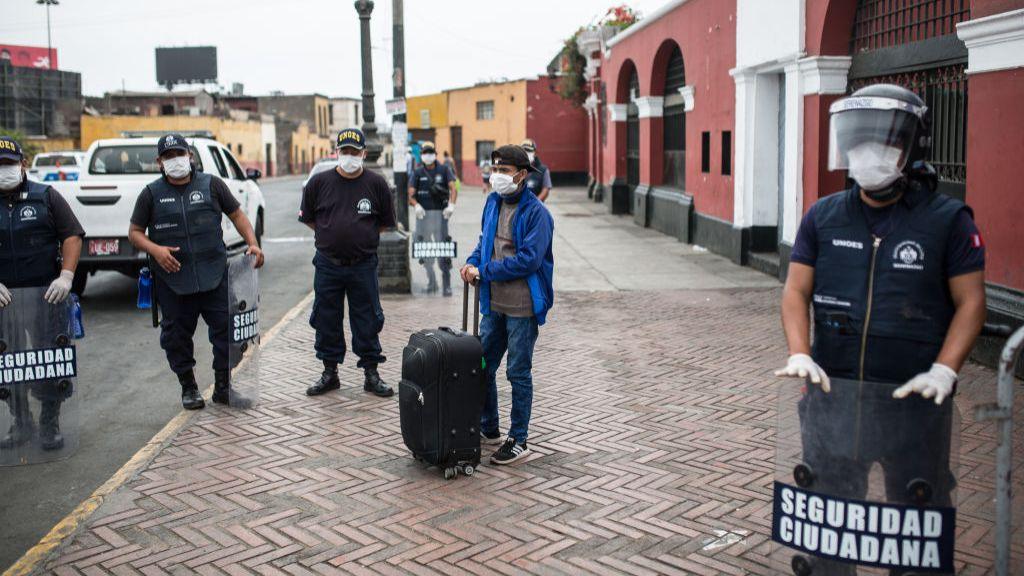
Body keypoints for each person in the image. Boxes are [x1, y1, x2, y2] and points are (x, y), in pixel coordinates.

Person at [774, 84, 985, 573]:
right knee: (830, 522)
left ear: (913, 147)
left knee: (916, 524)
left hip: (913, 404)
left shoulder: (948, 220)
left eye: (883, 142)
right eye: (857, 143)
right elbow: (795, 291)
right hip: (832, 397)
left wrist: (945, 370)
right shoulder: (823, 216)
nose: (867, 154)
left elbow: (971, 301)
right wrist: (800, 351)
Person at [129, 133, 264, 410]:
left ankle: (223, 387)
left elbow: (237, 214)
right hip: (173, 279)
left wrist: (253, 244)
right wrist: (155, 250)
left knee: (230, 332)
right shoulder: (151, 194)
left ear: (190, 156)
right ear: (159, 162)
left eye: (179, 154)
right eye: (168, 157)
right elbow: (134, 233)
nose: (175, 161)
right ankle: (189, 387)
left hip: (215, 274)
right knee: (176, 338)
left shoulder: (212, 185)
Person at [460, 144, 554, 465]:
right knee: (482, 365)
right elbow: (484, 241)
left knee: (517, 372)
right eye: (495, 170)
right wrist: (472, 263)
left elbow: (528, 261)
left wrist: (483, 271)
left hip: (522, 307)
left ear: (522, 175)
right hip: (494, 302)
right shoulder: (492, 202)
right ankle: (488, 427)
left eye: (504, 171)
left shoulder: (537, 214)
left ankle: (519, 438)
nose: (497, 176)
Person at [0, 136, 84, 451]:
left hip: (46, 296)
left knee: (49, 359)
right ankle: (21, 421)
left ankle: (50, 423)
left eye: (8, 164)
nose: (3, 170)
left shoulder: (46, 197)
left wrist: (66, 276)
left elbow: (72, 235)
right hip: (3, 300)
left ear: (22, 165)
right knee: (6, 362)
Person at [300, 128, 396, 398]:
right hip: (328, 265)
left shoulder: (376, 184)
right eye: (345, 152)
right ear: (337, 152)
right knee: (326, 318)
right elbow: (310, 219)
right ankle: (329, 373)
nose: (350, 156)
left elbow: (386, 223)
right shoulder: (319, 183)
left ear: (364, 153)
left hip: (363, 264)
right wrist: (331, 234)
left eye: (355, 152)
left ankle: (371, 374)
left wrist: (360, 238)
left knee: (367, 318)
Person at [408, 141, 457, 296]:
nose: (428, 155)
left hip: (441, 217)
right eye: (425, 152)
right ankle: (432, 281)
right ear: (422, 154)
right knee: (425, 251)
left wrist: (451, 205)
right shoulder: (417, 172)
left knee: (444, 250)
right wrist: (416, 205)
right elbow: (410, 194)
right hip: (423, 217)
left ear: (435, 154)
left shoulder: (444, 169)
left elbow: (453, 188)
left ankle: (447, 284)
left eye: (431, 152)